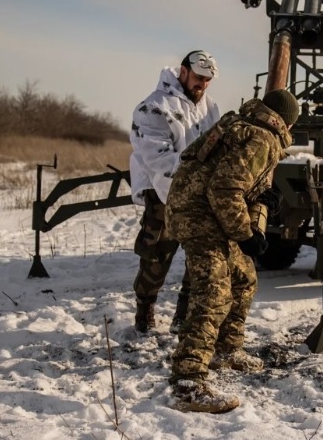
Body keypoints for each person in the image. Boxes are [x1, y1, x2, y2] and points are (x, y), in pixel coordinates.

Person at [164, 88, 300, 413]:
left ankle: (227, 350)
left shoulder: (243, 123)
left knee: (244, 276)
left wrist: (261, 199)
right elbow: (223, 187)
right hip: (198, 214)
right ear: (287, 123)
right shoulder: (262, 139)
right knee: (214, 292)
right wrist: (245, 234)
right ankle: (188, 385)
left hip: (198, 208)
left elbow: (231, 179)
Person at [128, 50, 221, 334]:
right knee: (157, 255)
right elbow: (158, 159)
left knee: (200, 255)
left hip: (199, 195)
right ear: (183, 72)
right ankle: (145, 312)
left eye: (207, 80)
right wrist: (193, 178)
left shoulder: (210, 108)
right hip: (162, 192)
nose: (202, 85)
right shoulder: (153, 107)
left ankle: (184, 315)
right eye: (198, 78)